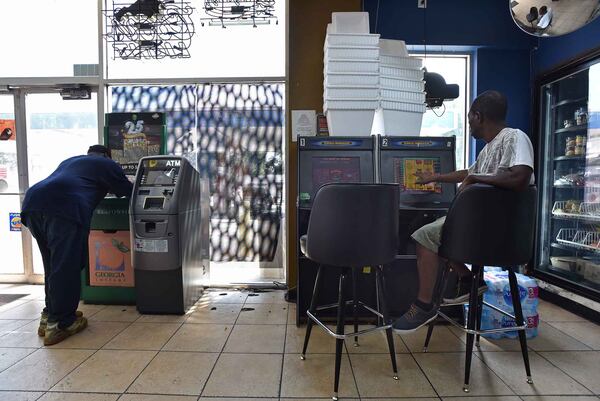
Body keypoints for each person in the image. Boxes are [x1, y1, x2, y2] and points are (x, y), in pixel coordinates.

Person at [392, 90, 535, 333]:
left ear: (478, 116)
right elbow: (469, 173)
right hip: (481, 224)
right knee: (438, 230)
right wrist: (436, 176)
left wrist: (474, 180)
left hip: (498, 229)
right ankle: (469, 280)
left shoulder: (514, 137)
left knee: (424, 236)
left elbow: (521, 176)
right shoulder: (489, 148)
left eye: (469, 118)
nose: (469, 124)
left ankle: (425, 304)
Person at [21, 145, 133, 345]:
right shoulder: (107, 164)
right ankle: (61, 323)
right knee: (66, 266)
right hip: (65, 208)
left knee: (53, 265)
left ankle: (49, 316)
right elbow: (127, 190)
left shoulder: (72, 160)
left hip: (33, 203)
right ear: (108, 156)